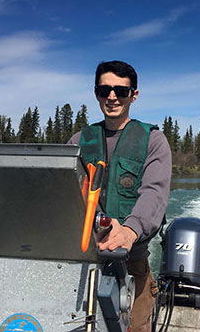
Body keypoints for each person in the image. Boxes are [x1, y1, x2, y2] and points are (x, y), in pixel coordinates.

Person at [68, 60, 172, 332]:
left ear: (133, 95)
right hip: (83, 261)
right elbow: (63, 193)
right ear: (96, 93)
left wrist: (129, 230)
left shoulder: (153, 140)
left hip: (131, 262)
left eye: (120, 91)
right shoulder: (79, 141)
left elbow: (154, 193)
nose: (111, 97)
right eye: (104, 90)